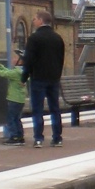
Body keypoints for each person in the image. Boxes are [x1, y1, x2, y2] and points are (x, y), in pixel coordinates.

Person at [20, 10, 66, 147]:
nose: (33, 21)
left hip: (38, 78)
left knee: (38, 109)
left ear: (41, 20)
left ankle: (39, 138)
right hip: (53, 78)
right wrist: (57, 74)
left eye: (35, 18)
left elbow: (29, 60)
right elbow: (61, 59)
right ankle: (57, 137)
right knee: (55, 108)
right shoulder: (58, 38)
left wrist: (24, 77)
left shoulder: (34, 38)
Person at [0, 49, 28, 144]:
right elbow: (7, 71)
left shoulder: (17, 72)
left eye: (16, 58)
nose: (14, 59)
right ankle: (20, 136)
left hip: (14, 99)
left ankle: (14, 137)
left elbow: (3, 73)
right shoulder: (22, 71)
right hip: (20, 100)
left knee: (11, 118)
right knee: (16, 118)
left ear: (20, 61)